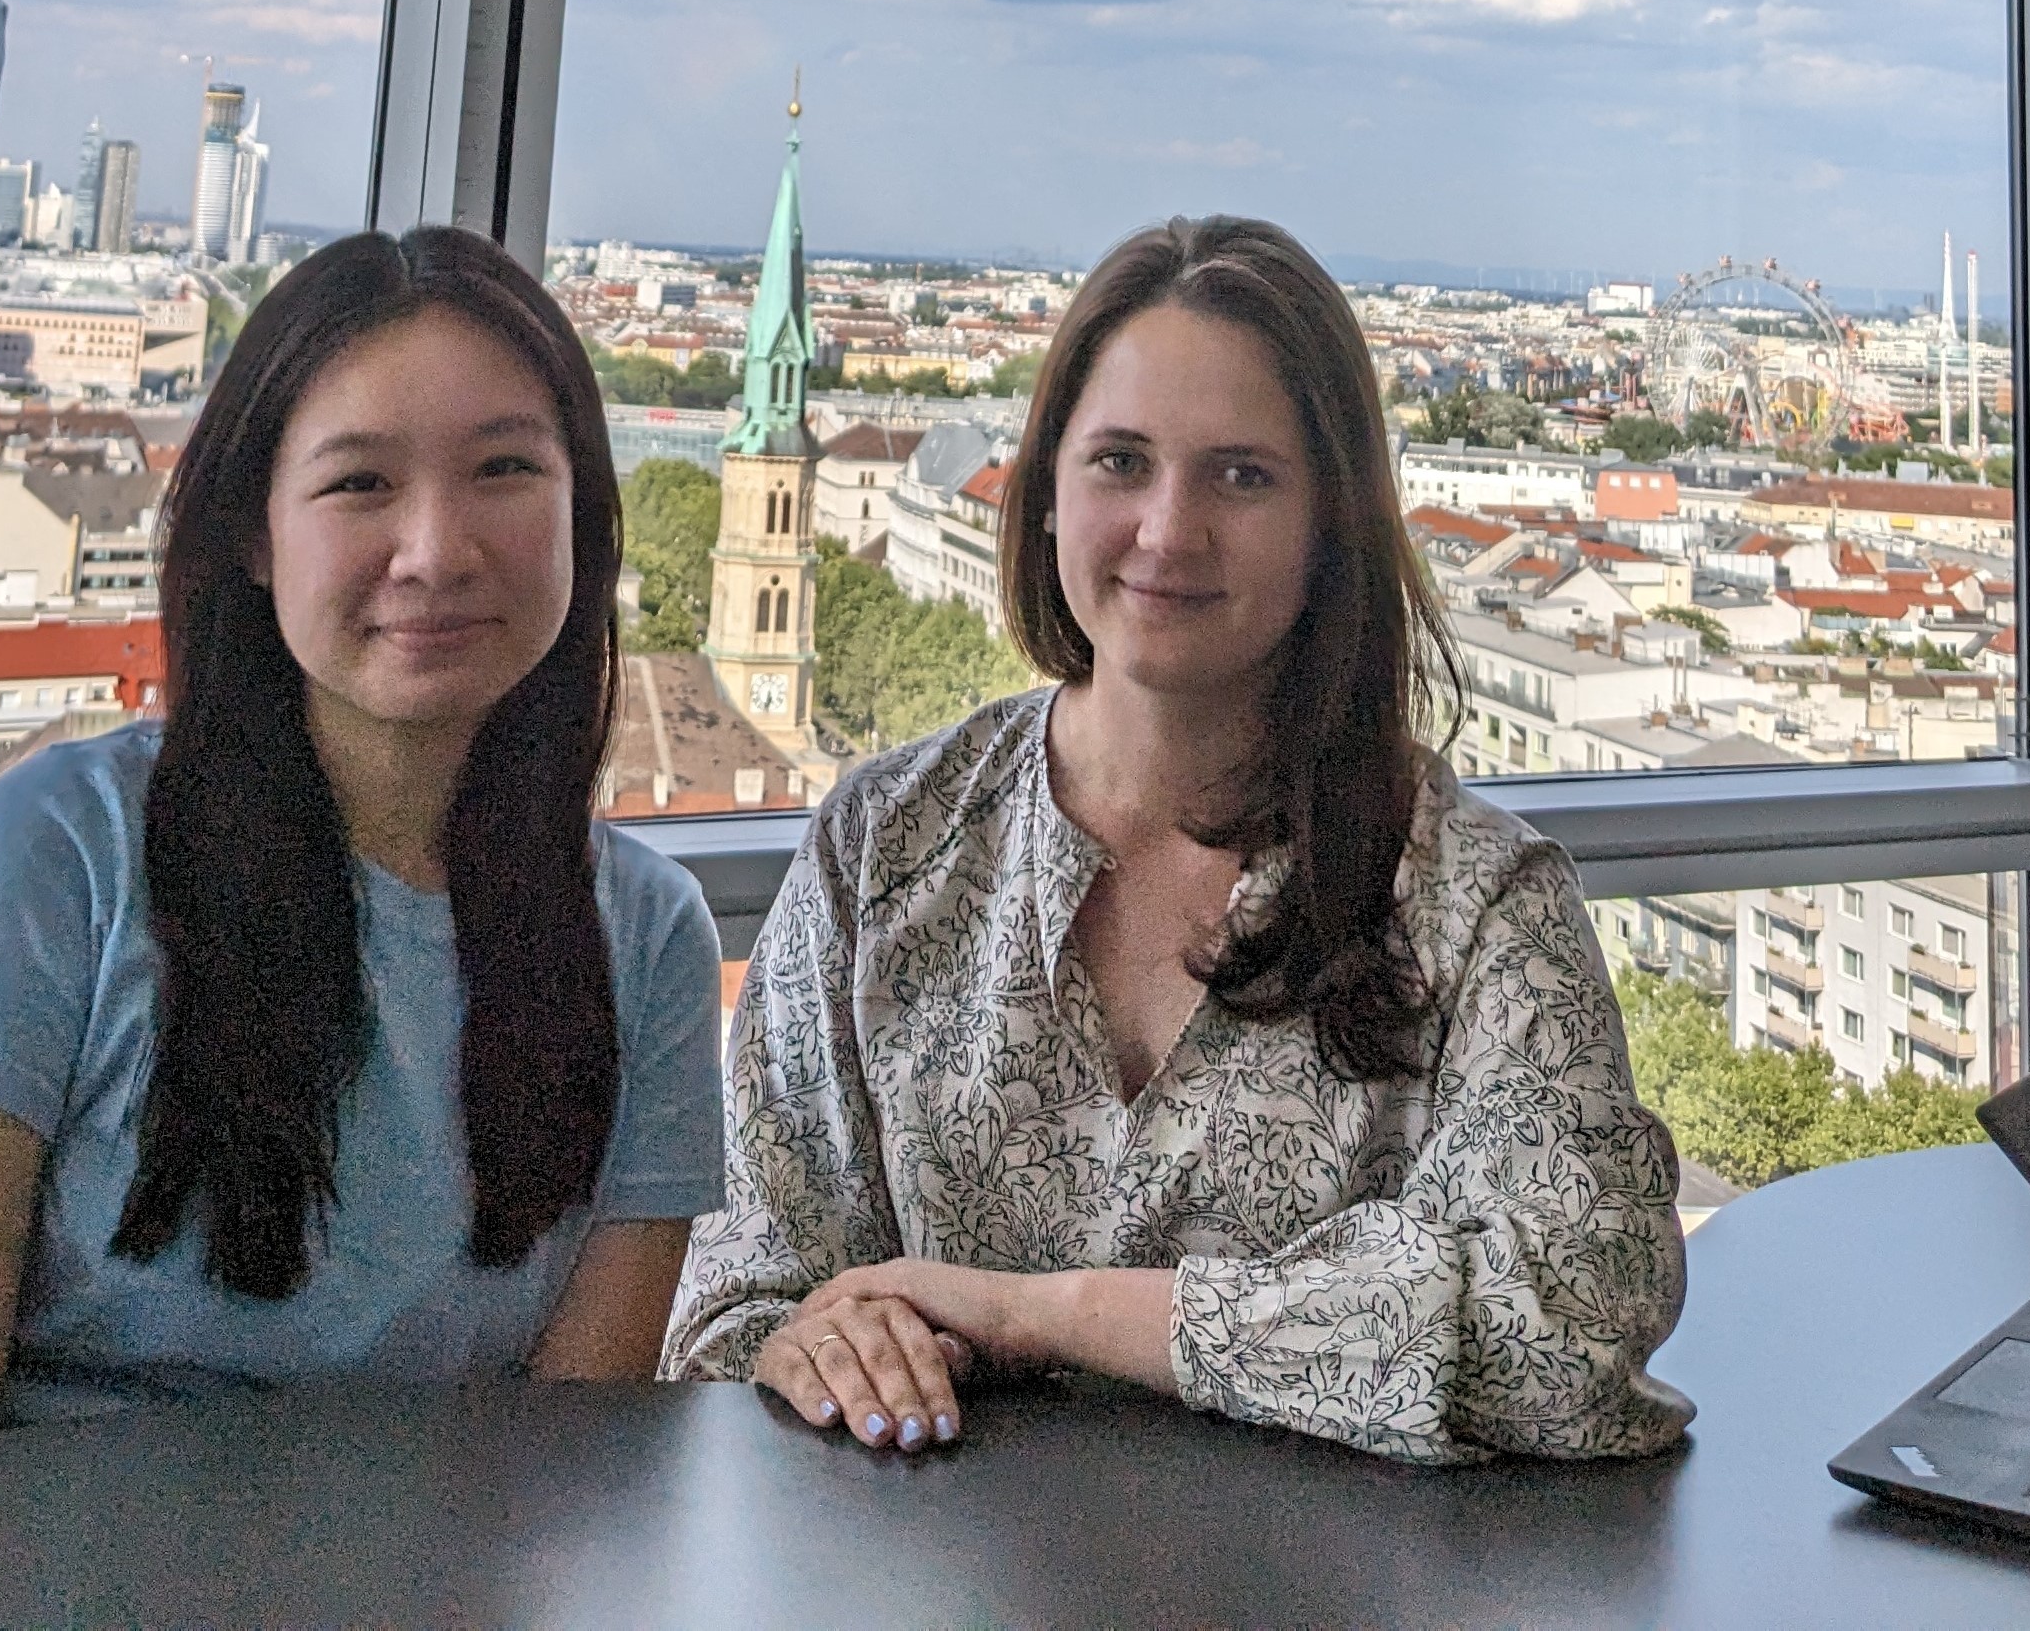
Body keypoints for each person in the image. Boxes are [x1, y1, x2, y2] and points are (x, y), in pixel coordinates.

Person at [664, 215, 1692, 1465]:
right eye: (1120, 462)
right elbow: (736, 1303)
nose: (1168, 529)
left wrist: (1039, 1315)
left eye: (1243, 475)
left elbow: (1570, 1328)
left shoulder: (1479, 905)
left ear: (1335, 528)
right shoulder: (884, 851)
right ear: (1046, 493)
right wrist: (804, 1345)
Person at [0, 227, 722, 1467]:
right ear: (253, 534)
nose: (438, 550)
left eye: (505, 469)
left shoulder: (647, 941)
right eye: (360, 484)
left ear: (584, 518)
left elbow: (558, 1480)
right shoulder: (57, 863)